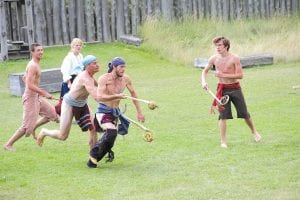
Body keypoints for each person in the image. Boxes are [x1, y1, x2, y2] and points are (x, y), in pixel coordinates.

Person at [201, 36, 261, 148]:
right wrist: (203, 82)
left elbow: (240, 75)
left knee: (244, 114)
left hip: (235, 88)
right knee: (222, 116)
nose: (217, 48)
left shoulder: (234, 58)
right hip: (222, 89)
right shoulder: (213, 59)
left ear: (226, 46)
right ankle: (223, 142)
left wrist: (222, 74)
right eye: (216, 45)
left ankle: (254, 132)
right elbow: (204, 71)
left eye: (220, 45)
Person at [87, 57, 145, 168]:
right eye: (121, 67)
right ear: (114, 67)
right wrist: (116, 96)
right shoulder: (104, 78)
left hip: (115, 113)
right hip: (103, 111)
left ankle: (93, 160)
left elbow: (134, 94)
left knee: (111, 138)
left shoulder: (126, 79)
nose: (124, 69)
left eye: (124, 67)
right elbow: (100, 97)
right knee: (112, 132)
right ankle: (93, 156)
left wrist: (139, 112)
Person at [3, 43, 59, 151]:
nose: (41, 52)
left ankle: (34, 127)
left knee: (53, 115)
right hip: (30, 98)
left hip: (36, 96)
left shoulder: (35, 64)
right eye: (38, 50)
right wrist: (44, 93)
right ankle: (8, 144)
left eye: (42, 50)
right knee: (26, 127)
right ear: (32, 52)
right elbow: (29, 84)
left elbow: (26, 78)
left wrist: (37, 90)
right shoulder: (33, 65)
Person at [36, 55, 100, 149]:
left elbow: (99, 86)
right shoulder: (85, 78)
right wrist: (111, 102)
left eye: (97, 62)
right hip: (69, 104)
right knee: (63, 136)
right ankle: (45, 132)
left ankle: (93, 155)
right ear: (87, 66)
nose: (98, 65)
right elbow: (96, 97)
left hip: (82, 104)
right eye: (94, 63)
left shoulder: (90, 76)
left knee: (94, 129)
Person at [55, 38, 84, 115]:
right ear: (72, 46)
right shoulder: (69, 57)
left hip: (78, 79)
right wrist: (69, 82)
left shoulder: (80, 56)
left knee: (78, 98)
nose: (78, 47)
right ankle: (62, 114)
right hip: (70, 79)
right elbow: (65, 70)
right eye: (76, 45)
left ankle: (76, 114)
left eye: (80, 45)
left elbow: (81, 68)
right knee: (67, 99)